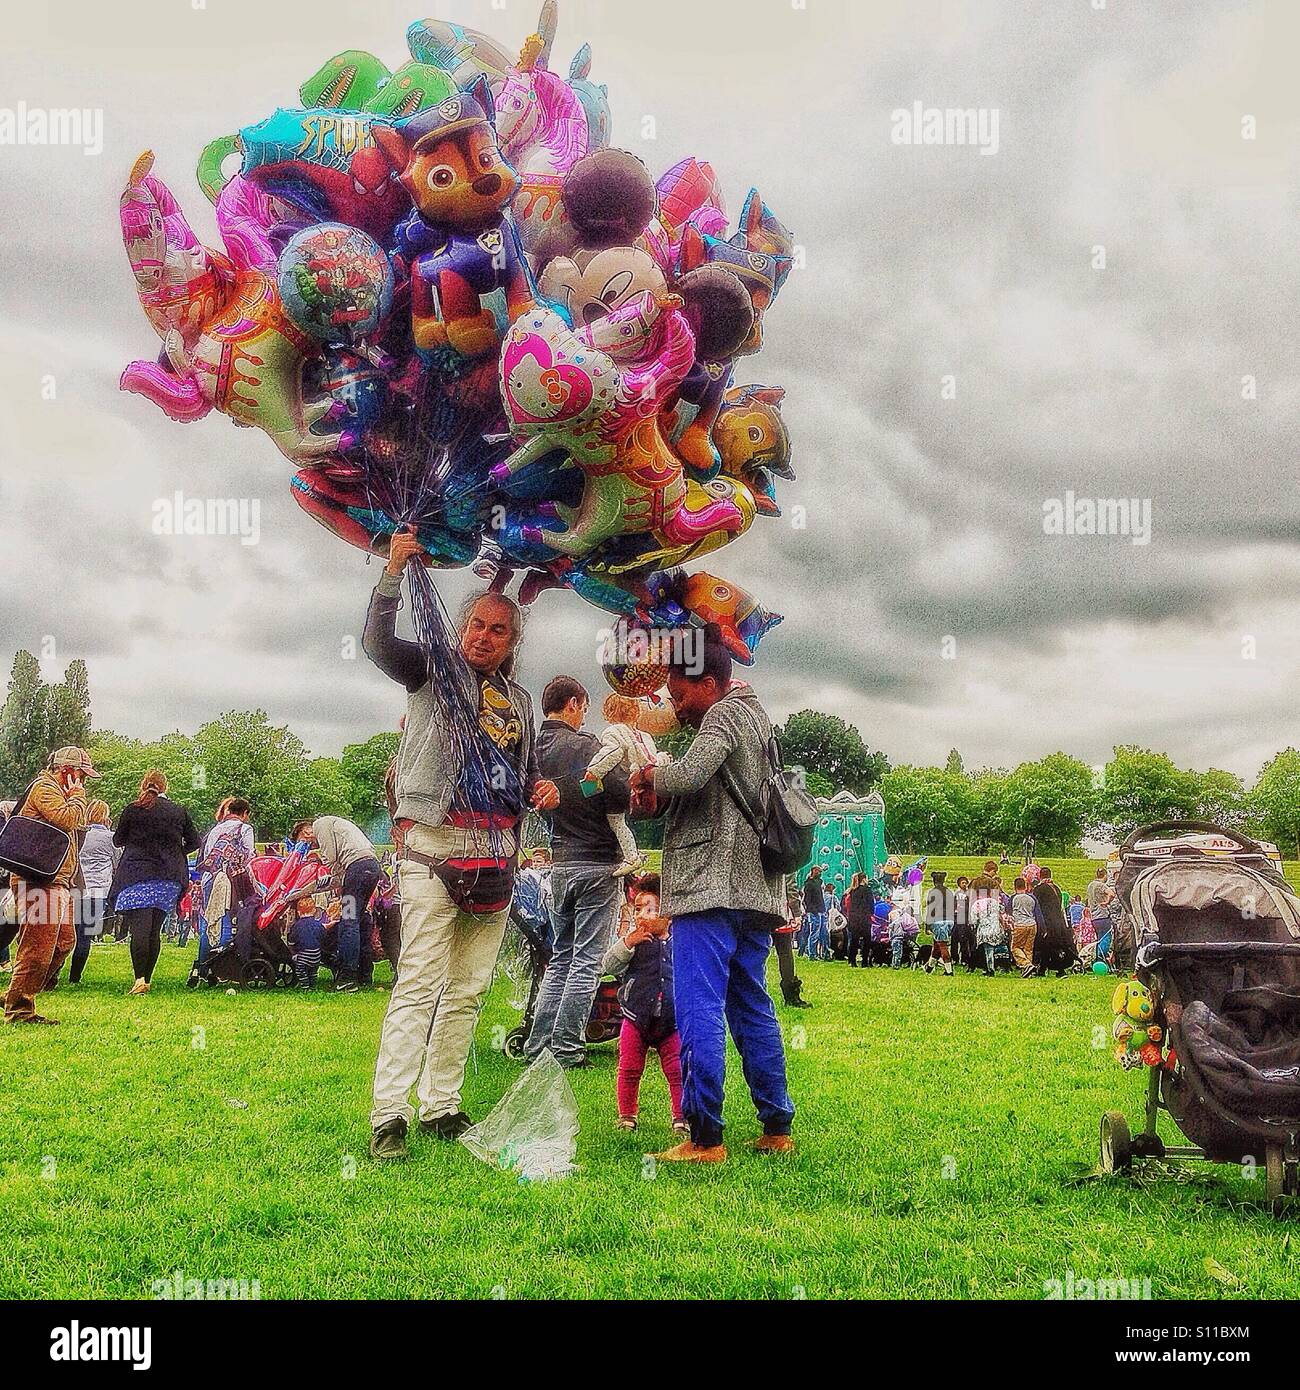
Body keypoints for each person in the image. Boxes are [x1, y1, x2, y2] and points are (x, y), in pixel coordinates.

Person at [363, 531, 559, 1160]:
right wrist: (394, 572)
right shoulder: (433, 671)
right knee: (418, 982)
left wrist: (542, 789)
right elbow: (380, 645)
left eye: (497, 630)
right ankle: (390, 1114)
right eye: (475, 622)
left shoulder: (522, 704)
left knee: (470, 987)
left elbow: (520, 776)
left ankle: (441, 1103)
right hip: (432, 844)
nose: (481, 635)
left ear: (513, 642)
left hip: (497, 854)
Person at [630, 625, 795, 1163]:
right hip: (759, 888)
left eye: (680, 694)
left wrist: (651, 772)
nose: (678, 707)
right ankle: (776, 1126)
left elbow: (691, 776)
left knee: (698, 1004)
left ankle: (704, 1137)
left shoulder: (722, 716)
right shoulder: (759, 717)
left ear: (708, 682)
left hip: (711, 885)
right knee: (751, 1003)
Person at [525, 676, 629, 1072]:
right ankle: (568, 1048)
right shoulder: (587, 746)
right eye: (584, 708)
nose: (585, 716)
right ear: (572, 704)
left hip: (559, 861)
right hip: (597, 860)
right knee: (586, 962)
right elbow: (618, 793)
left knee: (560, 960)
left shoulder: (534, 750)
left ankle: (538, 1045)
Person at [3, 748, 94, 1023]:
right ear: (66, 770)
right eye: (81, 775)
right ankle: (18, 1010)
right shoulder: (45, 788)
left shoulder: (56, 791)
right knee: (38, 947)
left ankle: (15, 994)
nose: (83, 782)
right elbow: (67, 819)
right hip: (38, 880)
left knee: (64, 943)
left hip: (54, 881)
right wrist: (77, 798)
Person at [601, 873, 686, 1135]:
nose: (642, 915)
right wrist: (627, 942)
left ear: (668, 915)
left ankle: (681, 1117)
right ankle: (627, 1115)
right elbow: (608, 965)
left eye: (651, 909)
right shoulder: (633, 942)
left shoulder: (678, 943)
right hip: (635, 1017)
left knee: (677, 1071)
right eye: (638, 909)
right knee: (629, 1067)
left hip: (670, 1020)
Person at [110, 771, 203, 995]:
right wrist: (176, 852)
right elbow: (195, 841)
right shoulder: (178, 811)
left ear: (143, 786)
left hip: (136, 873)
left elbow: (118, 840)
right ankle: (147, 978)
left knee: (140, 927)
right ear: (165, 788)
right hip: (168, 876)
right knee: (154, 928)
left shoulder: (133, 809)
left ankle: (139, 978)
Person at [294, 816, 383, 992]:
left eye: (304, 843)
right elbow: (340, 873)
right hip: (371, 868)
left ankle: (347, 977)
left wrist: (321, 865)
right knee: (360, 919)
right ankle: (364, 974)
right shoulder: (337, 827)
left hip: (357, 869)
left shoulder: (321, 825)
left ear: (307, 831)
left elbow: (330, 858)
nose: (309, 847)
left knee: (348, 921)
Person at [582, 693, 665, 878]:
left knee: (615, 821)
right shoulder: (645, 736)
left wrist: (593, 772)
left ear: (610, 712)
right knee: (621, 820)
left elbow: (612, 753)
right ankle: (634, 853)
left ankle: (631, 856)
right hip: (645, 783)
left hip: (625, 784)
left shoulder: (614, 732)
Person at [198, 798, 255, 968]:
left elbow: (207, 856)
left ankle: (203, 966)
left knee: (211, 920)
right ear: (245, 813)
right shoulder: (245, 829)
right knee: (227, 922)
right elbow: (249, 856)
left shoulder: (215, 830)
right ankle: (221, 968)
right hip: (231, 880)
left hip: (210, 879)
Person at [67, 799, 115, 985]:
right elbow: (117, 862)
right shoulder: (110, 838)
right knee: (85, 935)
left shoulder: (78, 835)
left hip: (76, 888)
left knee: (67, 934)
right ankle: (75, 976)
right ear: (105, 816)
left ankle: (53, 972)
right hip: (98, 890)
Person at [1032, 866, 1077, 977]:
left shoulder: (1039, 889)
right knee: (1056, 946)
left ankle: (1044, 969)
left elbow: (1036, 906)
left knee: (1045, 946)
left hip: (1047, 922)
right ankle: (1058, 969)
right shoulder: (1056, 888)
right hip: (1059, 921)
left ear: (1040, 876)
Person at [772, 892, 810, 1006]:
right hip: (779, 910)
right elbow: (791, 889)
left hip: (756, 909)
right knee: (785, 954)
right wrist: (796, 913)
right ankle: (791, 995)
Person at [287, 897, 326, 989]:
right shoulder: (318, 924)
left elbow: (291, 941)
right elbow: (323, 936)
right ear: (314, 911)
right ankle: (312, 986)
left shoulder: (297, 926)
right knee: (313, 971)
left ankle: (305, 986)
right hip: (316, 954)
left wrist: (292, 950)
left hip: (304, 954)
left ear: (299, 912)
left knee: (300, 970)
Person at [923, 870, 954, 976]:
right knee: (937, 945)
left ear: (933, 881)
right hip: (950, 920)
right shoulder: (949, 892)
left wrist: (927, 926)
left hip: (939, 921)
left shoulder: (932, 893)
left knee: (942, 946)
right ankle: (929, 968)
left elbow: (930, 910)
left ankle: (949, 970)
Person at [1008, 876, 1040, 978]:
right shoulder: (1032, 898)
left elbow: (1009, 912)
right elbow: (1037, 913)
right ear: (1025, 886)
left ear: (1015, 887)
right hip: (1032, 924)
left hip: (1020, 925)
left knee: (1015, 947)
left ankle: (1027, 965)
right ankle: (1030, 972)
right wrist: (1042, 927)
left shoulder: (1013, 898)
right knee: (1028, 949)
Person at [970, 884, 1004, 976]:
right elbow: (1001, 915)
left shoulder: (977, 904)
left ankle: (990, 968)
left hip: (984, 929)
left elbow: (974, 920)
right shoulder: (995, 902)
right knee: (992, 949)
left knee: (987, 950)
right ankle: (993, 967)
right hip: (995, 929)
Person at [1086, 865, 1115, 963]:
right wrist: (1107, 902)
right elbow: (1111, 894)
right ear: (1105, 875)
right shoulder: (1101, 885)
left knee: (1099, 939)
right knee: (1106, 938)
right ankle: (1101, 960)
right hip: (1103, 916)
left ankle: (1096, 959)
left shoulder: (1090, 885)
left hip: (1094, 917)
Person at [845, 871, 875, 967]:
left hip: (854, 918)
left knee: (854, 940)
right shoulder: (867, 890)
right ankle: (864, 961)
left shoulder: (852, 891)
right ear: (864, 879)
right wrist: (871, 913)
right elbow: (871, 904)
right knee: (866, 941)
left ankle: (852, 960)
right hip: (864, 918)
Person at [801, 865, 827, 960]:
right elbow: (807, 900)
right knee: (814, 933)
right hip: (814, 912)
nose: (820, 873)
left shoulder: (817, 883)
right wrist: (813, 910)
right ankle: (812, 954)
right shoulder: (809, 884)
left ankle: (816, 952)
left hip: (820, 910)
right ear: (813, 871)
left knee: (820, 933)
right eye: (818, 871)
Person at [888, 888, 918, 968]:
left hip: (898, 936)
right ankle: (896, 964)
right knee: (898, 951)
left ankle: (896, 965)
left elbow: (894, 926)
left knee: (897, 951)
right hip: (907, 932)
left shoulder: (896, 914)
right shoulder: (905, 915)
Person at [950, 874, 975, 970]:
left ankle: (965, 958)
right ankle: (954, 958)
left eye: (965, 883)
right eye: (962, 883)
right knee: (954, 939)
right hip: (957, 918)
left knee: (964, 939)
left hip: (964, 919)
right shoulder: (956, 894)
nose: (964, 884)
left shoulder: (968, 894)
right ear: (959, 884)